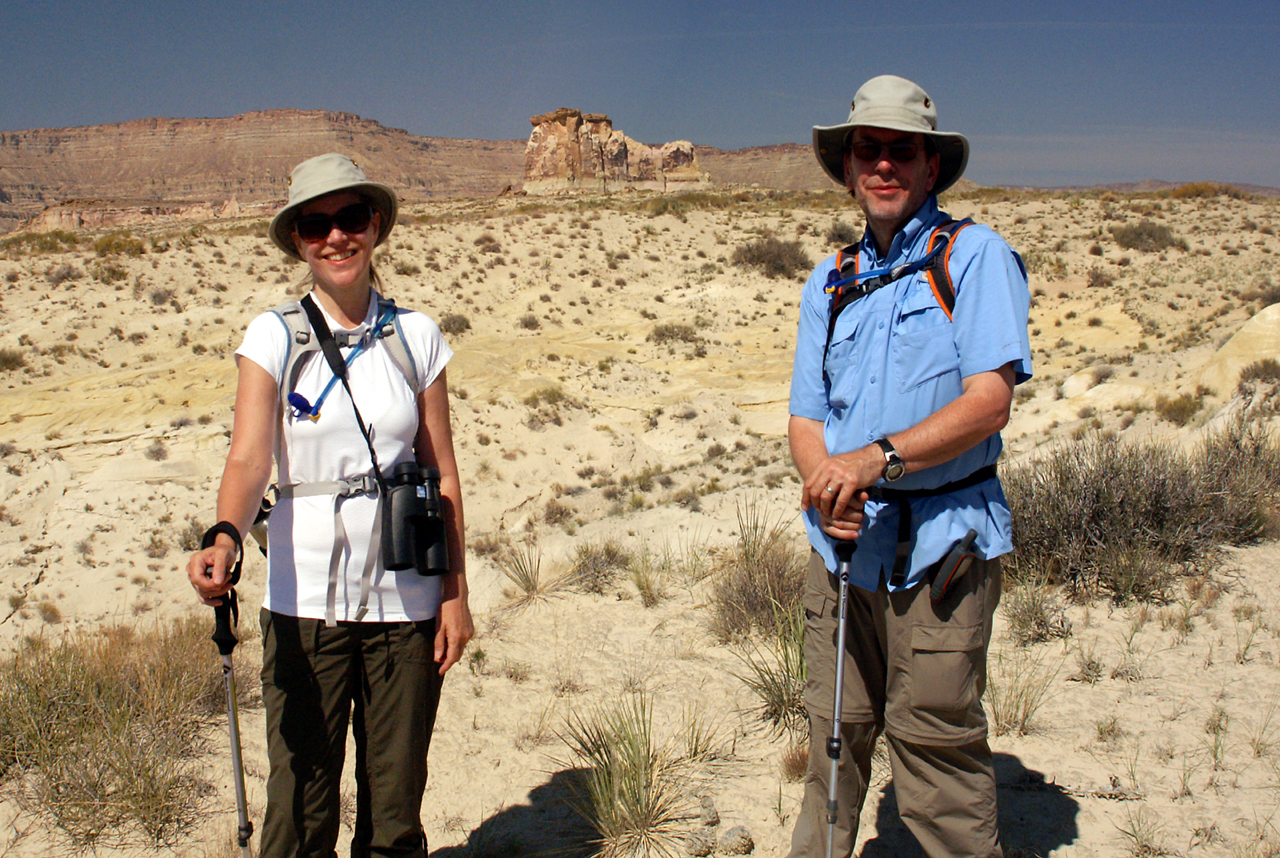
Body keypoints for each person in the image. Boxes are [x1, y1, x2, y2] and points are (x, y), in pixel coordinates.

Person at [187, 153, 473, 858]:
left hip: (405, 606)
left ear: (375, 227)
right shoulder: (274, 337)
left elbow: (443, 475)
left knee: (396, 808)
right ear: (297, 241)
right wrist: (224, 535)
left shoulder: (418, 338)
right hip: (303, 604)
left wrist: (455, 596)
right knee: (299, 809)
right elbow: (250, 459)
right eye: (316, 225)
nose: (336, 237)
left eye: (350, 219)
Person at [786, 76, 1031, 858]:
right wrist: (828, 484)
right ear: (849, 167)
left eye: (903, 151)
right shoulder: (830, 279)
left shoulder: (975, 256)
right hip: (843, 553)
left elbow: (990, 400)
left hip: (940, 554)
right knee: (834, 736)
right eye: (870, 150)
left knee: (934, 751)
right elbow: (805, 416)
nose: (884, 165)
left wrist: (876, 460)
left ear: (931, 167)